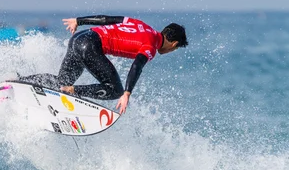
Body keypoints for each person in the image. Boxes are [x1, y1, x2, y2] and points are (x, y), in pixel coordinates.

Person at [18, 16, 188, 114]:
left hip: (79, 38)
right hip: (90, 46)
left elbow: (107, 19)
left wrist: (79, 20)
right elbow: (137, 66)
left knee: (61, 81)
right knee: (115, 90)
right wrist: (127, 93)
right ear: (173, 44)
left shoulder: (140, 24)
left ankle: (18, 81)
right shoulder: (151, 46)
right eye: (175, 48)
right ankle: (72, 91)